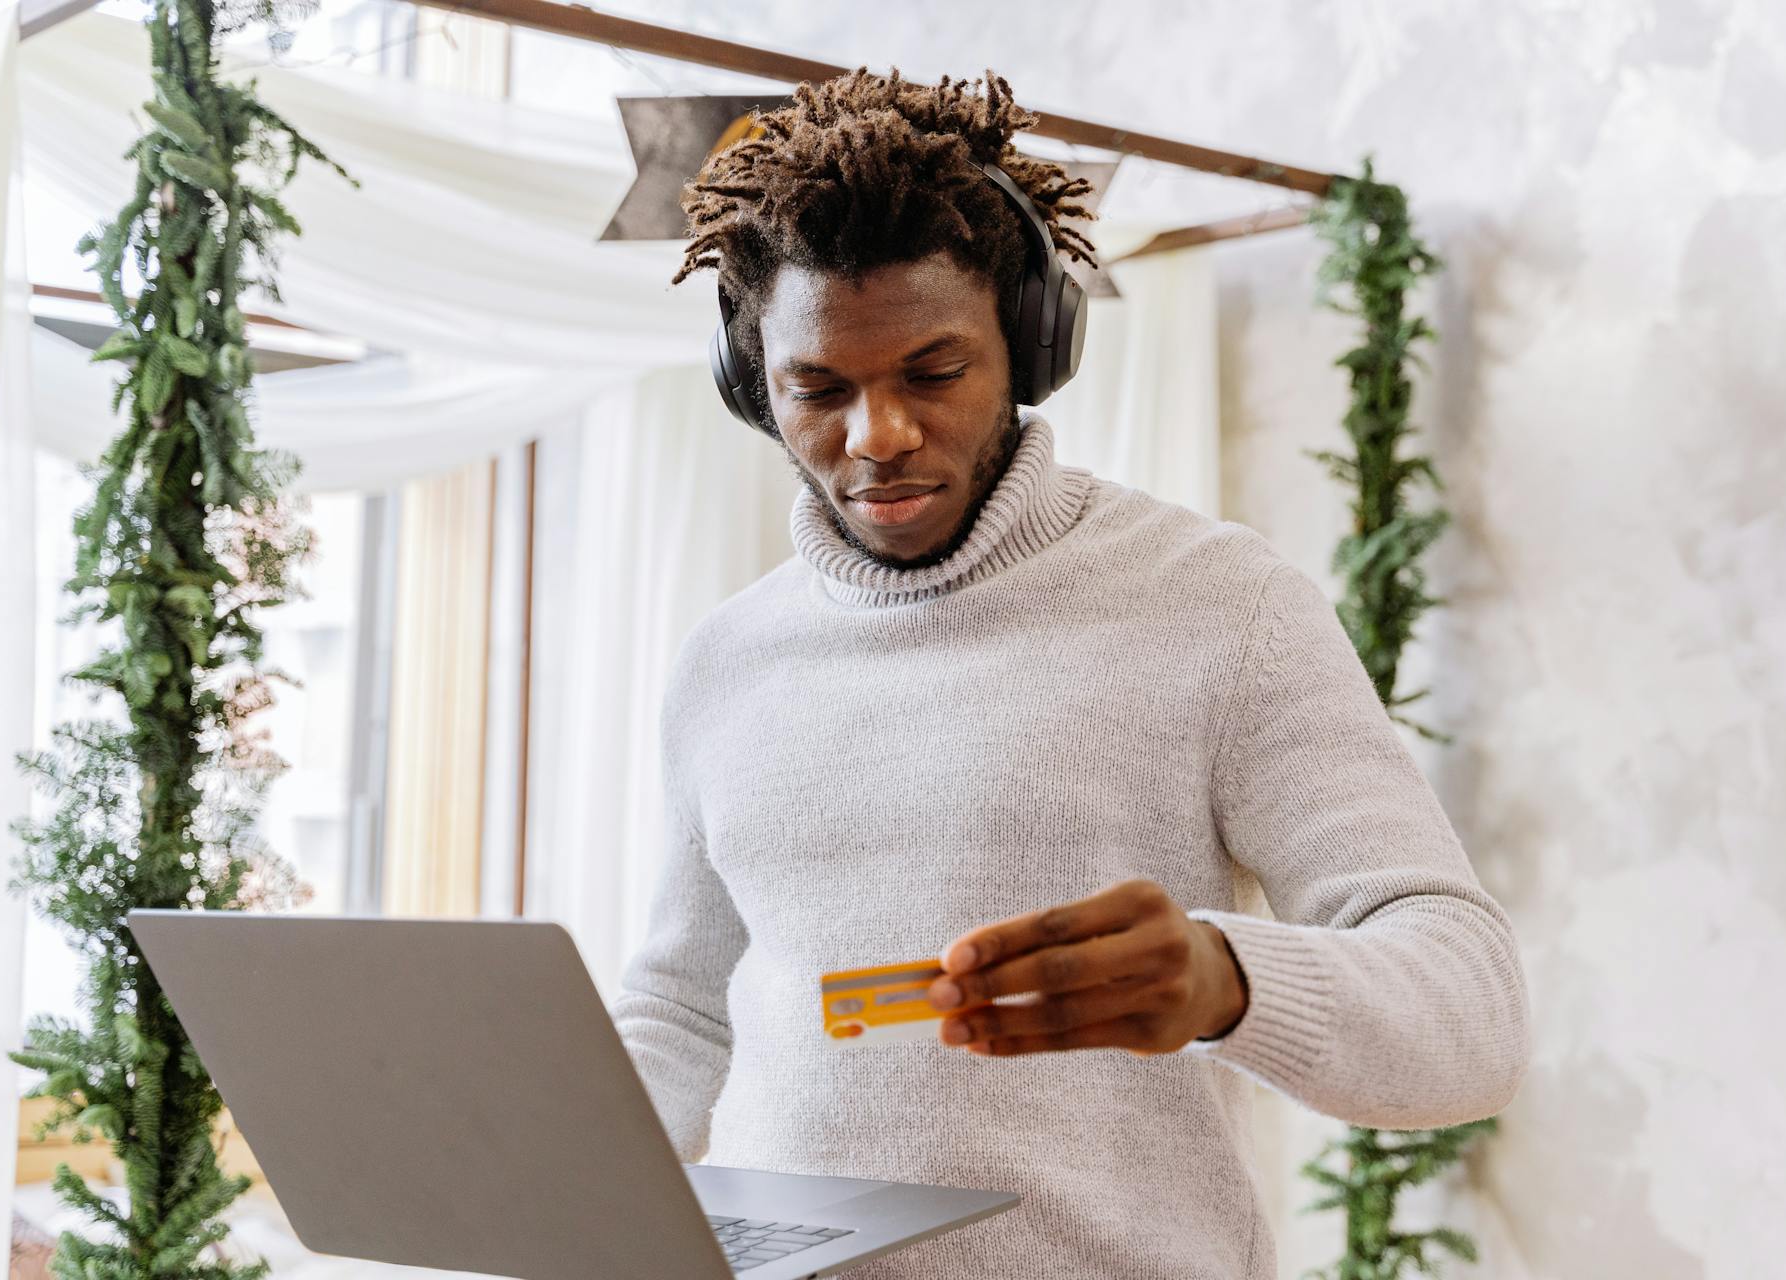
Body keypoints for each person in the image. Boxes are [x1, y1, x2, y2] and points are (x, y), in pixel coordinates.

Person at [609, 65, 1529, 1280]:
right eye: (818, 389)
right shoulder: (725, 658)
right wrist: (543, 1180)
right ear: (751, 385)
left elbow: (1474, 1016)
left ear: (1033, 343)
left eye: (932, 373)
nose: (875, 435)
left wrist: (1224, 977)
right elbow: (680, 1009)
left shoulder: (1221, 604)